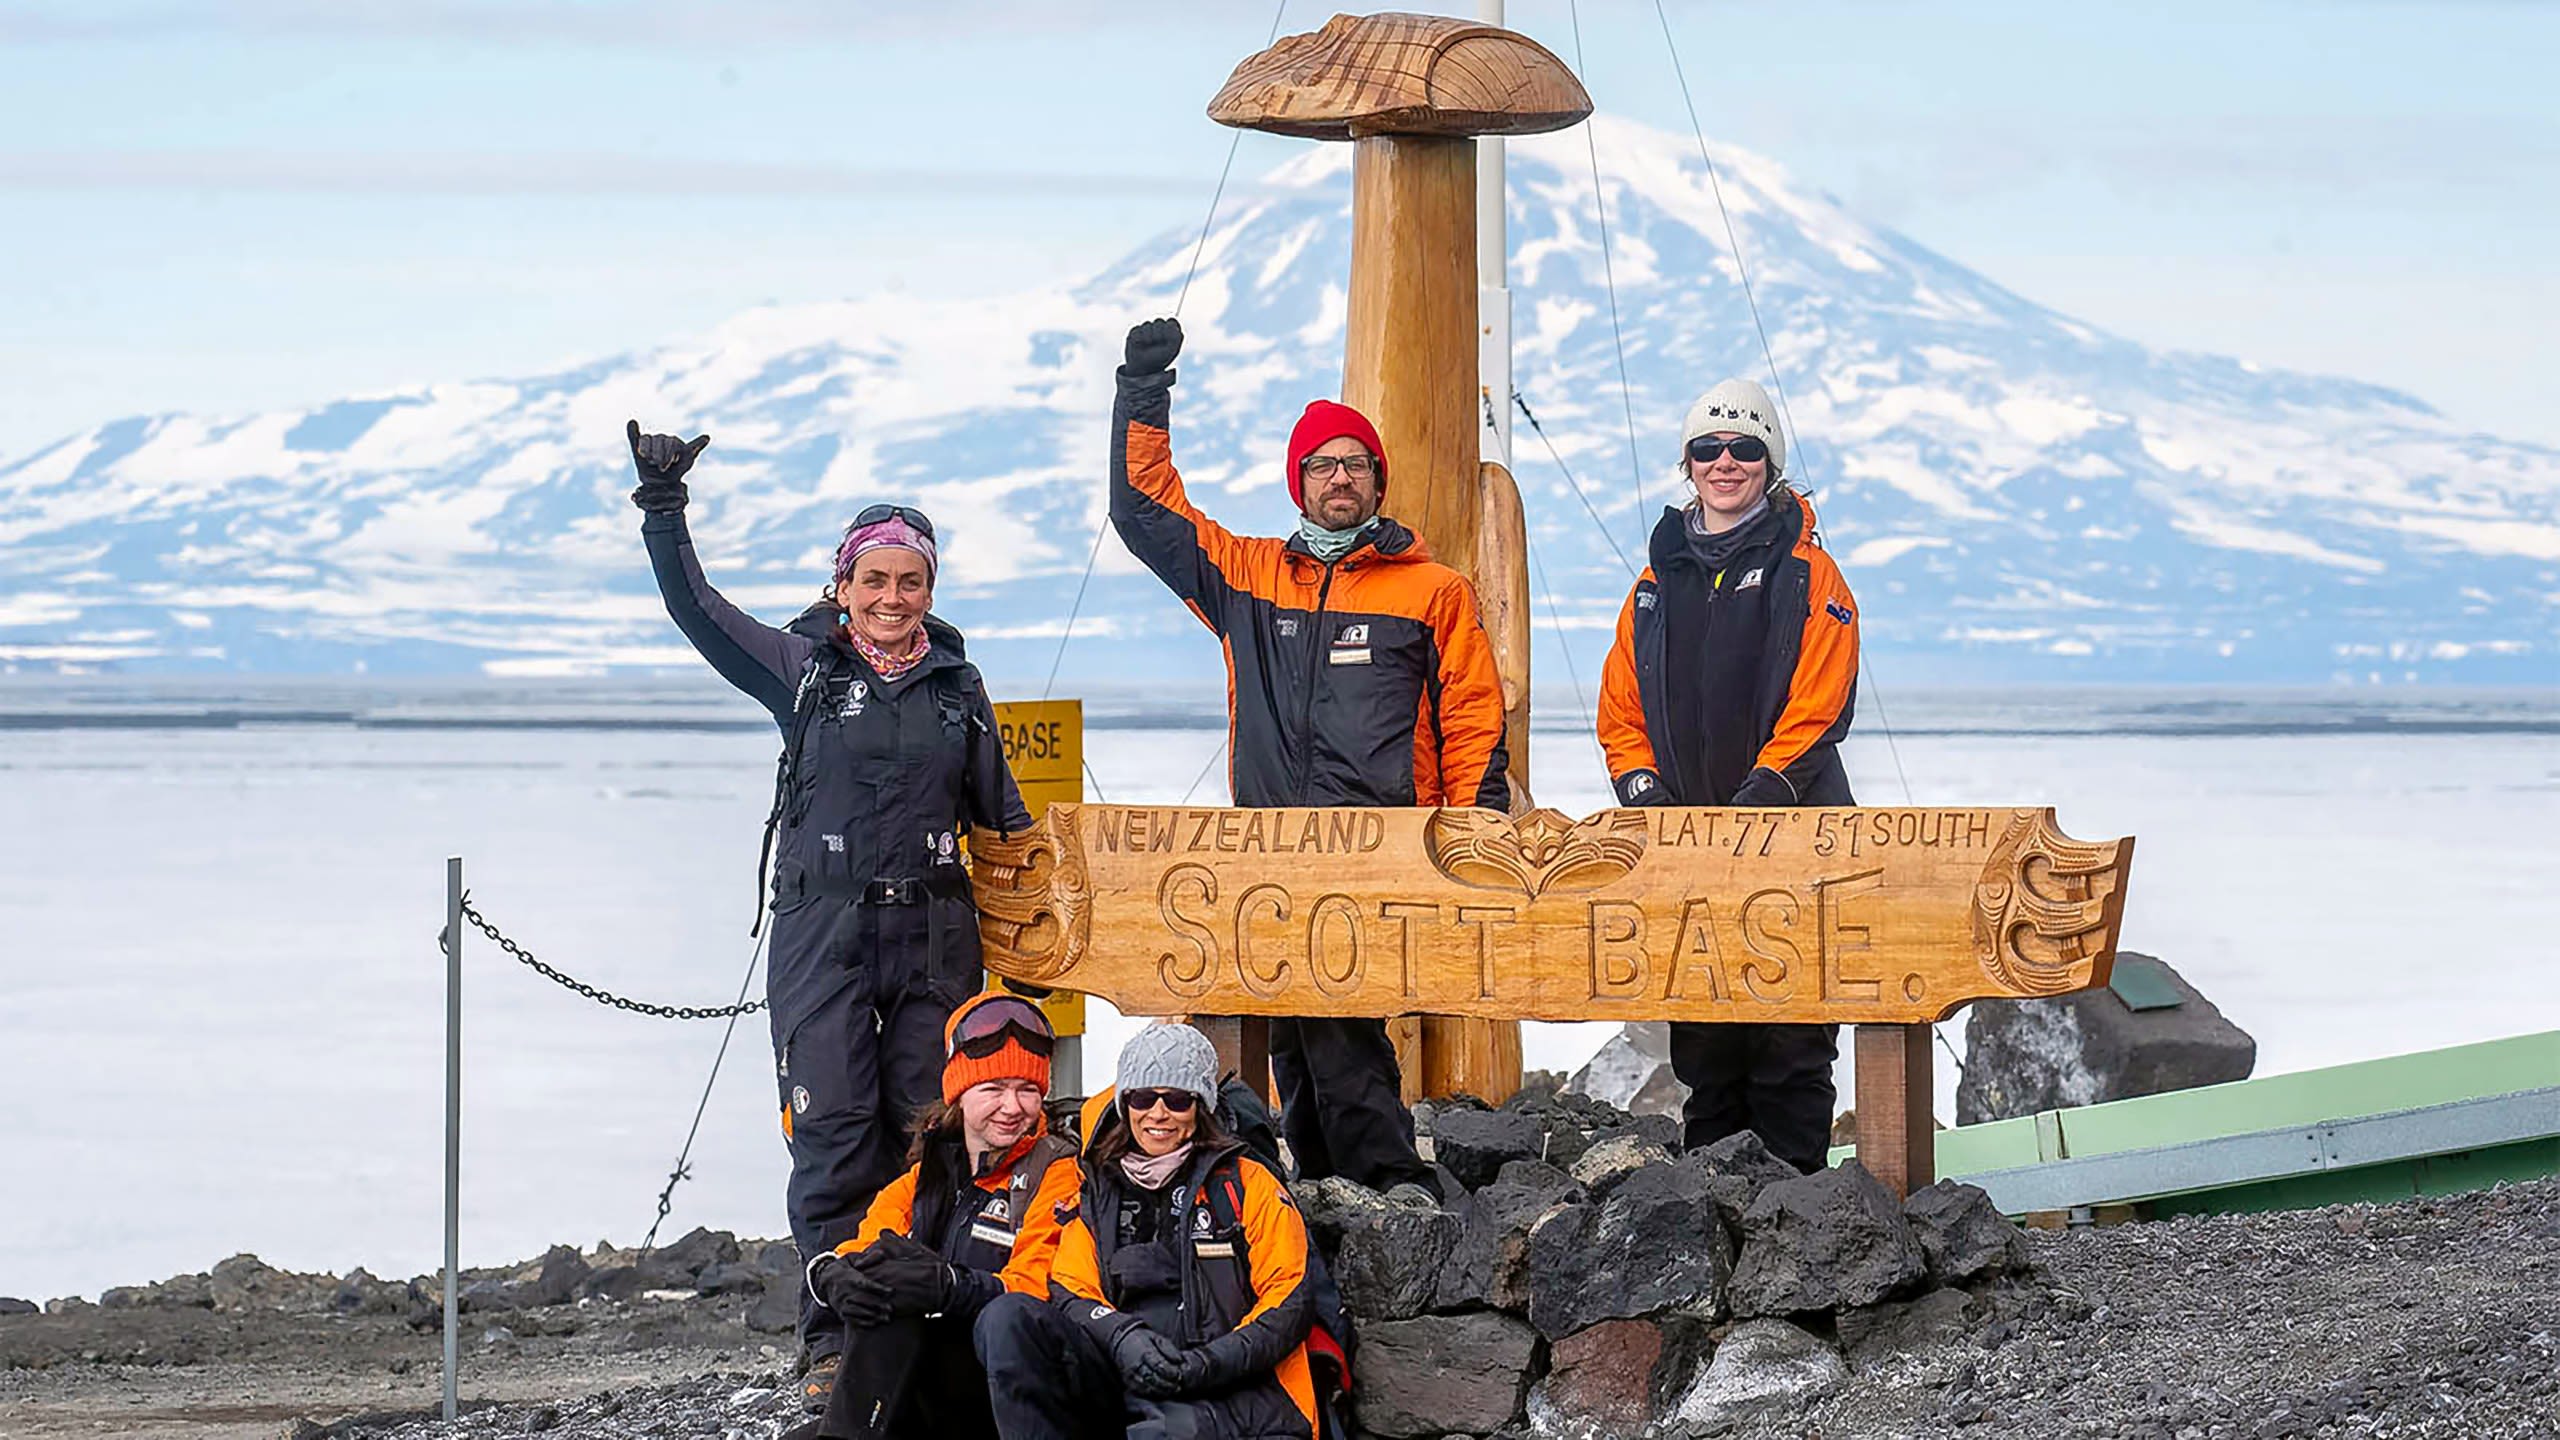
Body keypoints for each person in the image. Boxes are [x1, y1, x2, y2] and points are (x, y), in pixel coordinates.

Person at [628, 423, 1033, 1409]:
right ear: (842, 586)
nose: (892, 600)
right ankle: (827, 1340)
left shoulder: (959, 688)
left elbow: (1009, 829)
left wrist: (1060, 933)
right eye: (875, 582)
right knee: (832, 1142)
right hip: (823, 936)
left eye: (911, 583)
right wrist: (665, 509)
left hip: (937, 936)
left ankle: (918, 1326)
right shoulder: (800, 672)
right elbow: (697, 609)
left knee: (925, 1134)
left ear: (929, 592)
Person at [1109, 316, 1509, 1203]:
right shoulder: (1251, 576)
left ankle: (1397, 1198)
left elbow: (1475, 717)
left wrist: (1467, 840)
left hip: (1379, 846)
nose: (1339, 477)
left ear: (1376, 483)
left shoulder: (1432, 589)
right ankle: (1322, 1201)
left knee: (1341, 1032)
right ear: (1300, 483)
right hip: (1268, 850)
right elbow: (1144, 513)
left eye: (1354, 464)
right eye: (1323, 464)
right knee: (1287, 1034)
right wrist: (1143, 394)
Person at [1594, 379, 1861, 1175]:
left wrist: (1770, 789)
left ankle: (1802, 1225)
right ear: (1687, 464)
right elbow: (1621, 708)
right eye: (1707, 449)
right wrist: (1643, 794)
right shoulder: (1651, 586)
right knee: (1707, 1049)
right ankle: (1709, 1223)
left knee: (1792, 1046)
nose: (1726, 462)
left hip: (1795, 837)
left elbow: (1822, 693)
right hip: (1691, 849)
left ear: (1770, 463)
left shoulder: (1811, 572)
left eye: (1746, 448)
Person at [974, 1023, 1322, 1439]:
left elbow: (1289, 1301)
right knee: (1006, 1318)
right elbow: (1070, 1286)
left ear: (1201, 1107)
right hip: (1124, 1376)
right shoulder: (1099, 1187)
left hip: (1238, 1387)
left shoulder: (1247, 1184)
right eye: (1143, 1098)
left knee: (1169, 1431)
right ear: (1125, 1105)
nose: (1158, 1114)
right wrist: (1122, 1338)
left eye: (1176, 1100)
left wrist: (1205, 1365)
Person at [791, 991, 1081, 1440]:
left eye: (1027, 1090)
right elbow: (867, 1243)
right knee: (884, 1279)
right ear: (959, 1094)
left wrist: (950, 1287)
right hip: (927, 1381)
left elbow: (1040, 1287)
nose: (1012, 1107)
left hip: (1006, 1382)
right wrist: (832, 1274)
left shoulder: (1056, 1173)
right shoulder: (928, 1173)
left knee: (908, 1295)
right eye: (993, 1088)